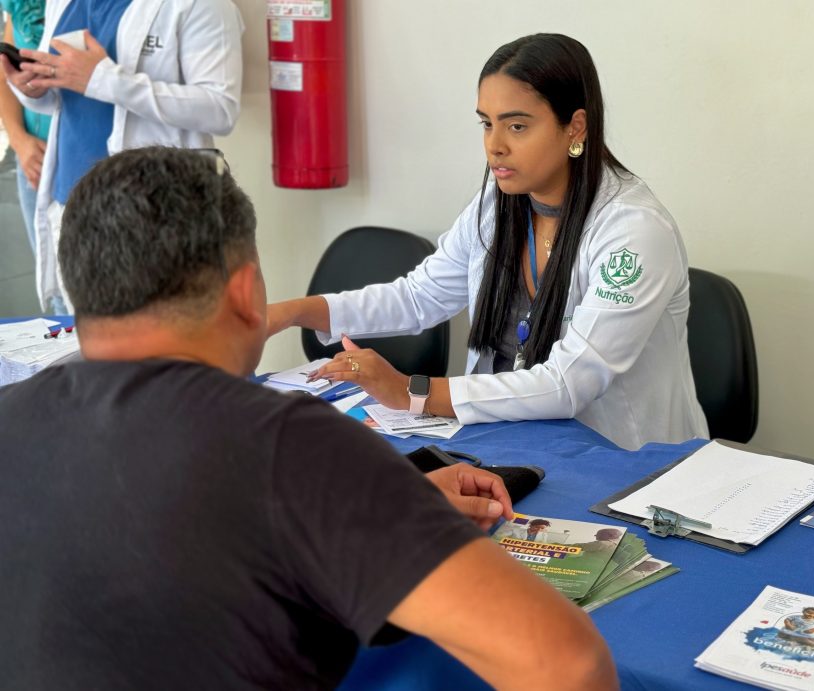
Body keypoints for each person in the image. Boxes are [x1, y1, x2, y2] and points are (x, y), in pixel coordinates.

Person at [0, 147, 616, 690]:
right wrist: (361, 497)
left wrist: (389, 510)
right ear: (245, 294)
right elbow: (568, 665)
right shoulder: (289, 449)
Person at [266, 33, 708, 451]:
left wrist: (410, 391)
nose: (494, 146)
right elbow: (419, 297)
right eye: (486, 124)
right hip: (512, 444)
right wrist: (291, 312)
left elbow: (568, 383)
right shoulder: (498, 204)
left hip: (626, 463)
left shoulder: (634, 230)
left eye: (516, 126)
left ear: (575, 128)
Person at [0, 0, 244, 314]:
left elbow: (220, 109)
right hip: (71, 205)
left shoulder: (201, 5)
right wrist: (33, 89)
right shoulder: (62, 2)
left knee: (163, 333)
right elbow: (65, 98)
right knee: (84, 334)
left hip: (155, 212)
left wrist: (102, 79)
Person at [0, 0, 52, 310]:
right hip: (33, 160)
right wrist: (20, 141)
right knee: (53, 291)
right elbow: (5, 71)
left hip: (89, 160)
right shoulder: (17, 4)